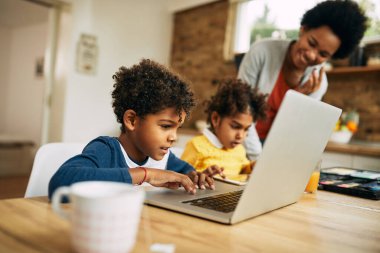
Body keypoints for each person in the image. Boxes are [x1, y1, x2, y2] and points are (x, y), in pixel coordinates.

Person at [48, 59, 219, 199]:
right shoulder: (107, 151)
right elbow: (60, 183)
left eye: (176, 128)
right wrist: (146, 174)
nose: (173, 137)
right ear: (132, 120)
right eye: (166, 126)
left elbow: (186, 173)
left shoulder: (165, 159)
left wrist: (196, 176)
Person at [238, 0, 368, 160]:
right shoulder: (262, 52)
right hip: (235, 141)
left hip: (273, 150)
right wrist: (257, 158)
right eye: (311, 43)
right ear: (303, 29)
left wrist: (297, 99)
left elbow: (293, 133)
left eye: (323, 54)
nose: (312, 55)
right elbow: (240, 107)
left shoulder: (318, 85)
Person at [181, 79, 267, 181]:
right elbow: (180, 178)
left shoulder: (239, 149)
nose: (241, 135)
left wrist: (252, 167)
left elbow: (242, 170)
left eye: (246, 129)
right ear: (216, 119)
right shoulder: (196, 146)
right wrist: (200, 176)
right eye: (235, 126)